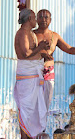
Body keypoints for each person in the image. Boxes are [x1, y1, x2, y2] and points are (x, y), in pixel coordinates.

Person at [34, 9, 75, 111]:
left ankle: (42, 126)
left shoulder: (54, 36)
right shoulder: (31, 35)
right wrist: (40, 53)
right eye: (40, 17)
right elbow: (26, 51)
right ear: (36, 20)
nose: (43, 19)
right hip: (33, 71)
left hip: (48, 72)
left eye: (46, 17)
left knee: (45, 104)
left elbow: (69, 49)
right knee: (33, 103)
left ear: (50, 20)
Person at [14, 8, 50, 139]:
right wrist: (40, 48)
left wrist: (44, 53)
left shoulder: (31, 33)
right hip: (27, 76)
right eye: (35, 18)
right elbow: (26, 54)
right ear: (29, 19)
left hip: (34, 75)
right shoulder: (22, 33)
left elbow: (34, 52)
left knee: (35, 110)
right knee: (26, 111)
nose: (37, 21)